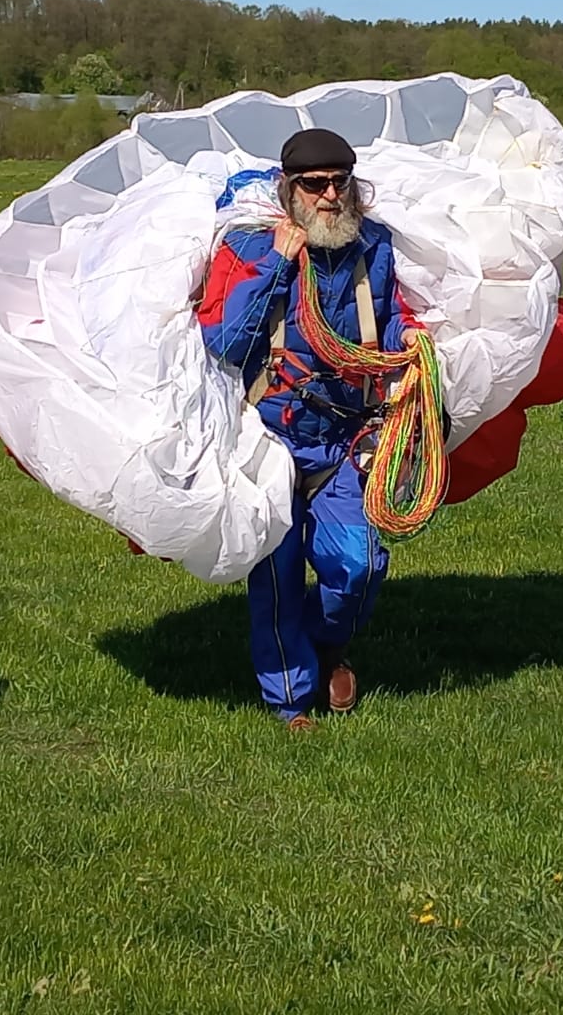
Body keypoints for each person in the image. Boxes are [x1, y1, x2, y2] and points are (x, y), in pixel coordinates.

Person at [199, 128, 422, 731]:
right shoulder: (251, 248)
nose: (328, 196)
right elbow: (222, 341)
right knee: (276, 578)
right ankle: (291, 701)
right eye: (314, 185)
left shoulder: (371, 246)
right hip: (269, 441)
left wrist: (412, 343)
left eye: (338, 183)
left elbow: (394, 314)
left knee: (361, 565)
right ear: (289, 190)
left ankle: (327, 649)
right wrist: (277, 261)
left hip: (345, 436)